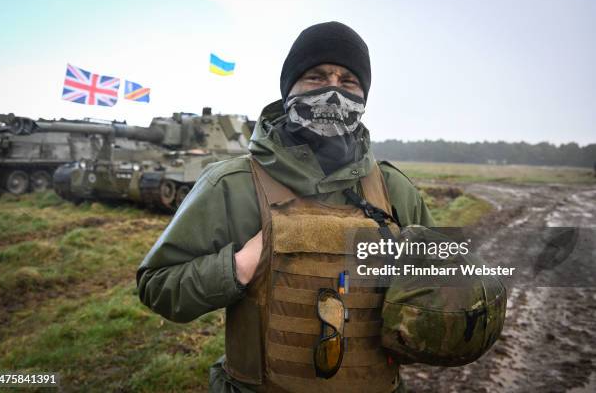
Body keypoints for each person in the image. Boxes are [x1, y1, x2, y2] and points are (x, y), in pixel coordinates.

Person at [137, 21, 434, 393]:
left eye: (348, 82)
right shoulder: (233, 183)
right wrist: (238, 267)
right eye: (317, 77)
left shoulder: (392, 189)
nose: (332, 91)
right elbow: (157, 287)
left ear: (364, 95)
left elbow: (443, 288)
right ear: (288, 88)